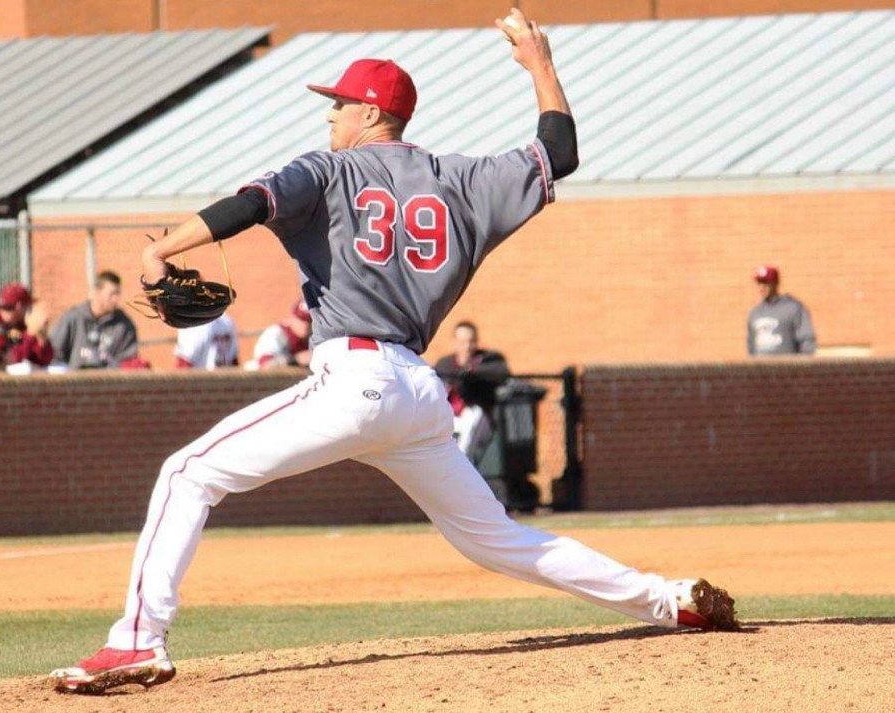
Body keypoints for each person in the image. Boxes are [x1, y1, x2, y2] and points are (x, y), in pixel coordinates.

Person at [50, 8, 738, 695]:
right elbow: (557, 153)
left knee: (187, 472)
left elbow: (252, 202)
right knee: (497, 539)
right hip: (417, 393)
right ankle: (667, 599)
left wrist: (164, 246)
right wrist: (540, 66)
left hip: (355, 379)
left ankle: (138, 639)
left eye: (340, 105)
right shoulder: (463, 180)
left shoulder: (328, 172)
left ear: (373, 112)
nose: (330, 118)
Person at [434, 321, 509, 462]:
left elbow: (501, 372)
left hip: (481, 422)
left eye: (471, 341)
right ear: (455, 342)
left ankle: (461, 463)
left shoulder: (487, 360)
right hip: (450, 418)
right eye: (462, 342)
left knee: (473, 414)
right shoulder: (445, 364)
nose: (467, 347)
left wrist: (471, 371)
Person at [50, 271, 140, 369]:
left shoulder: (124, 326)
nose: (116, 299)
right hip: (75, 381)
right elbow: (54, 353)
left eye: (118, 294)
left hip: (109, 382)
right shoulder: (73, 318)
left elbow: (128, 360)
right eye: (112, 294)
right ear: (96, 292)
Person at [747, 265, 817, 356]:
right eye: (759, 283)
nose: (762, 287)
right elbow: (751, 347)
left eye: (766, 283)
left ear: (775, 283)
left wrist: (804, 366)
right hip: (762, 368)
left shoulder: (793, 308)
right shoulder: (755, 313)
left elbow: (807, 340)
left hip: (787, 368)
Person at [244, 299, 313, 369]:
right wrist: (295, 360)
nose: (306, 325)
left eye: (310, 320)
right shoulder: (275, 334)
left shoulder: (317, 336)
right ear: (292, 318)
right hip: (258, 378)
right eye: (301, 319)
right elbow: (266, 365)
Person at [174, 313, 240, 369]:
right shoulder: (227, 321)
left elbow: (183, 363)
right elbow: (233, 361)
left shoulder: (191, 324)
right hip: (224, 381)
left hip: (201, 381)